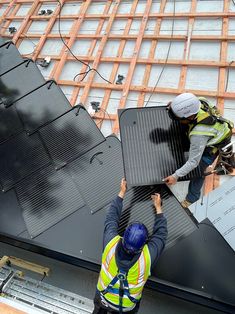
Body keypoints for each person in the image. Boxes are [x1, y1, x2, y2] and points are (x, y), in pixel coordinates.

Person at [93, 178, 167, 314]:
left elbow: (111, 218)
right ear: (143, 244)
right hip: (127, 307)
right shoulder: (146, 258)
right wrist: (158, 207)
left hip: (103, 299)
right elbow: (161, 236)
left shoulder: (111, 243)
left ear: (123, 237)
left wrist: (122, 192)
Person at [163, 93, 234, 208]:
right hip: (214, 130)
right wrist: (174, 107)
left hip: (212, 147)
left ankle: (192, 198)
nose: (177, 119)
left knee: (198, 172)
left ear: (189, 117)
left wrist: (175, 176)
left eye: (178, 118)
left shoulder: (198, 134)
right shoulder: (199, 101)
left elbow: (193, 162)